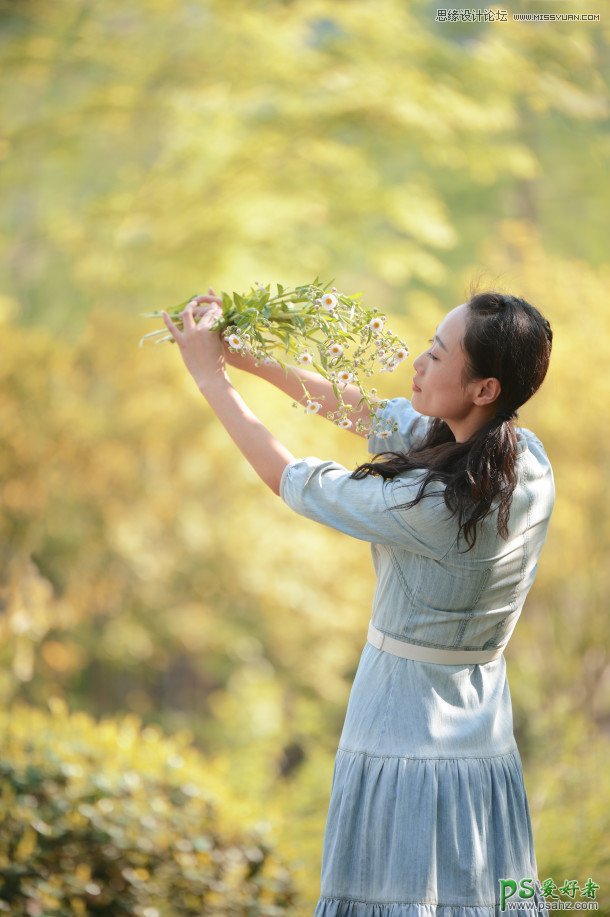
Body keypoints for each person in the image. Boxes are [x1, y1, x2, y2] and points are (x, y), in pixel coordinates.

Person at [162, 288, 555, 917]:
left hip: (404, 725)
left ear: (483, 388)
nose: (418, 365)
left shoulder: (437, 506)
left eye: (436, 354)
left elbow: (295, 481)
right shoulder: (526, 464)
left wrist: (210, 377)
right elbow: (372, 415)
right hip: (480, 728)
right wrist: (244, 356)